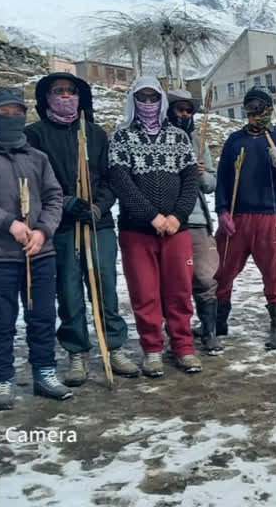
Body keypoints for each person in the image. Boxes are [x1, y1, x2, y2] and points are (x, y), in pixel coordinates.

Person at [24, 72, 139, 386]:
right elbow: (31, 184)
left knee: (104, 285)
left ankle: (113, 346)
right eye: (57, 91)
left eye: (71, 91)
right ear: (45, 97)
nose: (64, 96)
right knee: (70, 291)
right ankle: (77, 351)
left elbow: (111, 178)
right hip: (59, 226)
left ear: (80, 96)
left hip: (97, 223)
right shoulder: (34, 134)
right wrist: (65, 202)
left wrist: (98, 206)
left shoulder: (95, 133)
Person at [108, 77, 201, 377]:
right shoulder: (121, 137)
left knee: (179, 290)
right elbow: (121, 181)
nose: (148, 104)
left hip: (177, 228)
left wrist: (176, 216)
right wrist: (152, 216)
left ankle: (183, 347)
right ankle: (152, 349)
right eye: (142, 98)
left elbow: (190, 180)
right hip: (138, 230)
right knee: (145, 292)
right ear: (133, 100)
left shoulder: (178, 137)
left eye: (153, 98)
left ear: (162, 101)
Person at [0, 86, 71, 410]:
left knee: (41, 316)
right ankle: (1, 378)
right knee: (0, 320)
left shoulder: (37, 158)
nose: (12, 118)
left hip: (40, 252)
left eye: (17, 113)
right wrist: (8, 222)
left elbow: (54, 197)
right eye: (3, 113)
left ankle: (44, 372)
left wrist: (43, 230)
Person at [214, 87, 276, 350]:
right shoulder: (234, 141)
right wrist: (222, 211)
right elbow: (223, 179)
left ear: (269, 109)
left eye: (259, 107)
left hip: (270, 216)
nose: (254, 113)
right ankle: (217, 321)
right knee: (221, 271)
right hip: (237, 216)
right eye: (249, 107)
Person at [165, 88, 222, 356]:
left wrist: (200, 174)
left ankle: (209, 332)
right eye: (180, 109)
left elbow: (212, 183)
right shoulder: (158, 138)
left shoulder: (197, 141)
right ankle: (177, 334)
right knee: (173, 281)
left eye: (189, 110)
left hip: (196, 220)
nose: (185, 114)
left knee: (204, 277)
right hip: (167, 219)